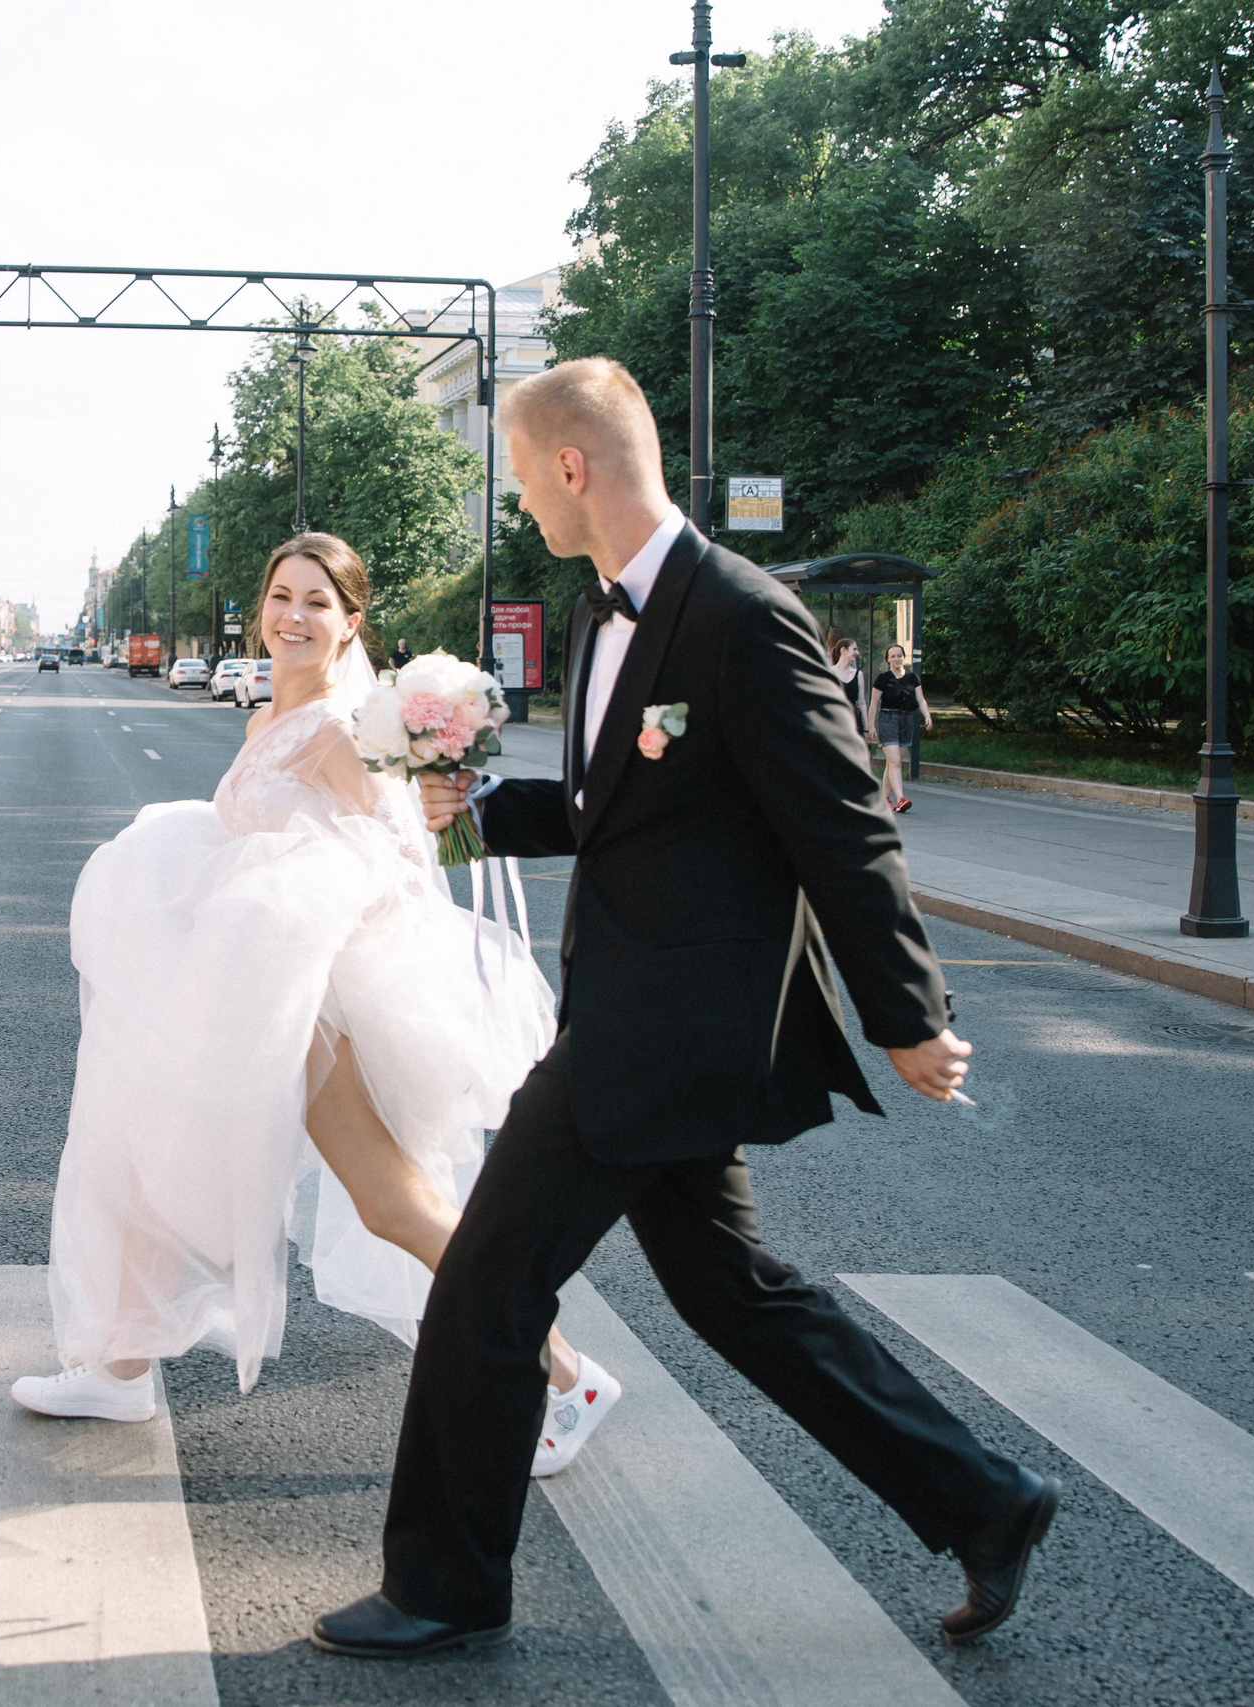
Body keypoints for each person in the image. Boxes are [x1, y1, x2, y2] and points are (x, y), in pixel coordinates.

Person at [311, 358, 1058, 1660]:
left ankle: (445, 1582)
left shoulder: (741, 616)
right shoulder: (602, 614)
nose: (519, 499)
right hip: (636, 1020)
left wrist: (907, 1012)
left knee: (486, 1284)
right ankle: (984, 1499)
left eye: (521, 474)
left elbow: (843, 829)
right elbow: (615, 811)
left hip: (660, 1036)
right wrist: (479, 811)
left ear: (572, 466)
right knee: (734, 1293)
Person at [17, 533, 616, 1468]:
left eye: (316, 602)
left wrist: (286, 910)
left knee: (393, 1204)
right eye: (281, 595)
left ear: (349, 624)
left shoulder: (340, 730)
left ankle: (566, 1374)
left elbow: (401, 855)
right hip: (248, 992)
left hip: (310, 1002)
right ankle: (120, 1366)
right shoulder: (268, 717)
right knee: (145, 1151)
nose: (293, 616)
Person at [872, 642, 932, 812]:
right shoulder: (883, 679)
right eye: (893, 656)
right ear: (888, 659)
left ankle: (884, 799)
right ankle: (901, 798)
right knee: (895, 762)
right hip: (887, 719)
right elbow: (874, 704)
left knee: (892, 763)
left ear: (904, 657)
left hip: (907, 720)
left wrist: (927, 715)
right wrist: (871, 725)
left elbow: (920, 699)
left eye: (899, 655)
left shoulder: (912, 678)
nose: (897, 659)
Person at [829, 635, 868, 746]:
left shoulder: (858, 674)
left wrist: (866, 728)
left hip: (853, 722)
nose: (857, 653)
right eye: (854, 649)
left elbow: (861, 703)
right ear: (843, 650)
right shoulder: (829, 672)